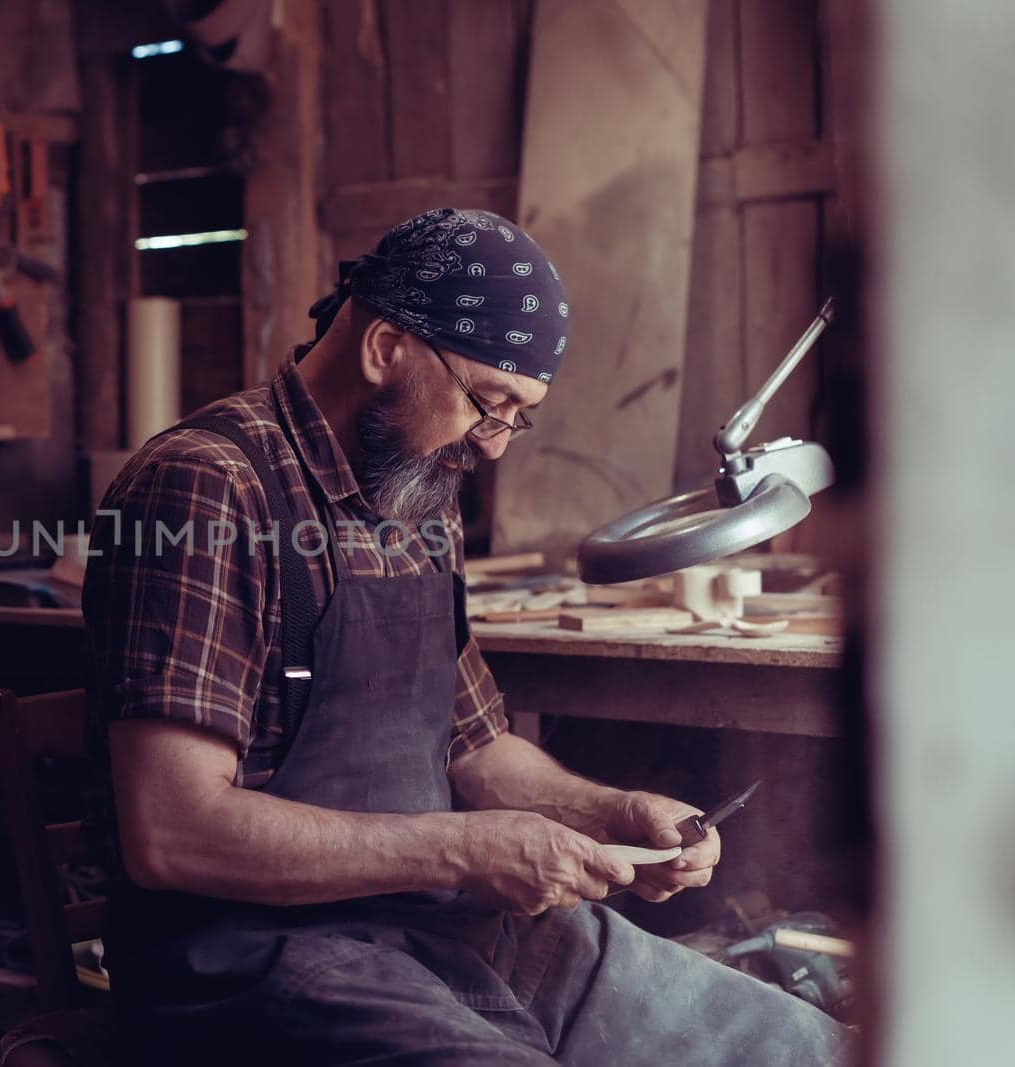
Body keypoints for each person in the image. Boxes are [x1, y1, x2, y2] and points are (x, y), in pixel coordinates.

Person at [80, 208, 847, 1065]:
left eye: (518, 417)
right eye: (490, 403)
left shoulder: (416, 489)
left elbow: (474, 749)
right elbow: (171, 829)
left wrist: (613, 815)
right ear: (384, 350)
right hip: (248, 964)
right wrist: (461, 849)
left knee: (802, 1047)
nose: (494, 447)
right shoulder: (207, 487)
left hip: (433, 928)